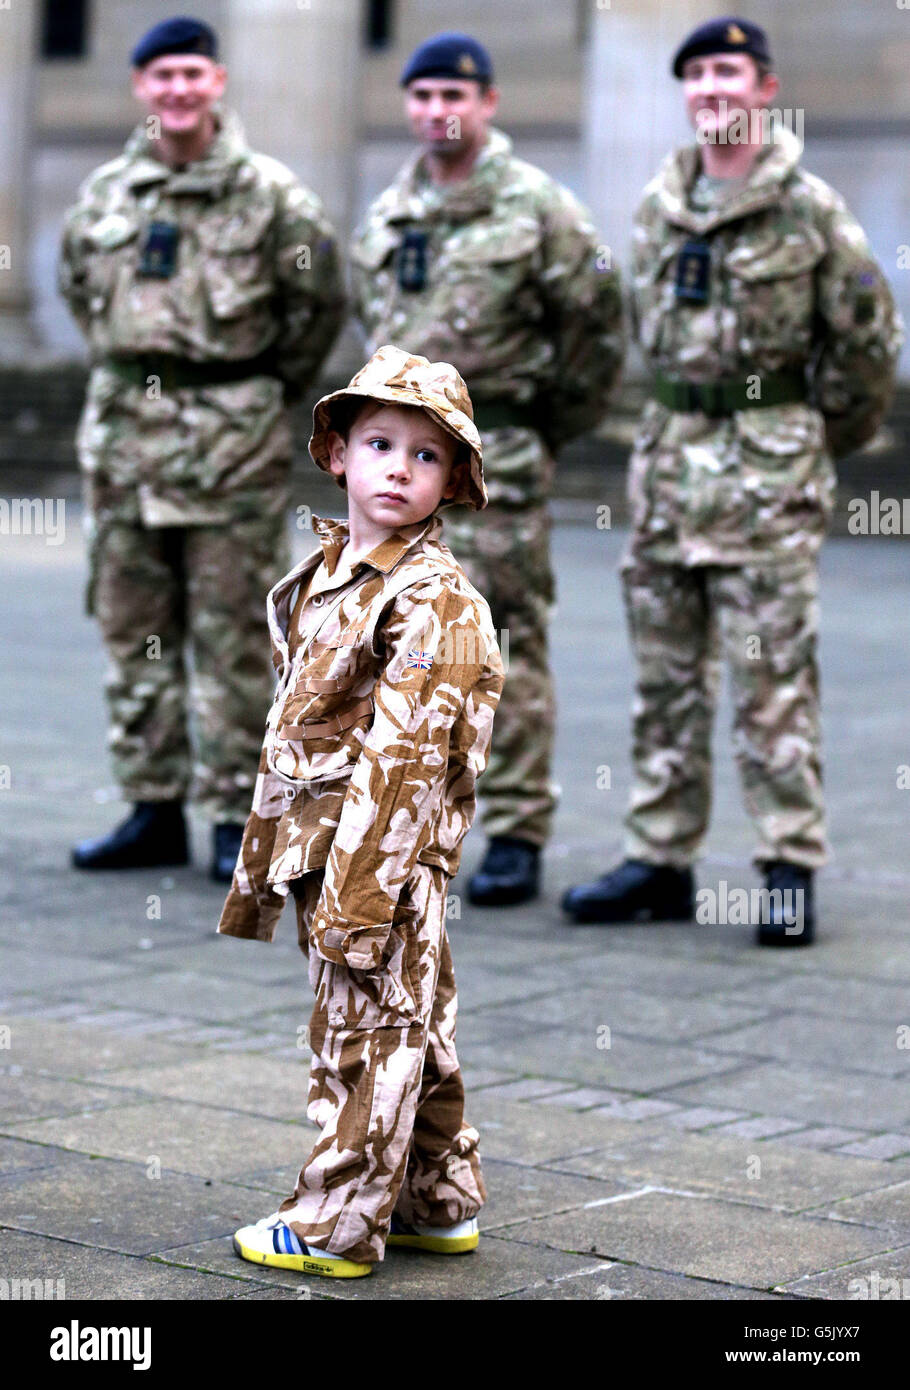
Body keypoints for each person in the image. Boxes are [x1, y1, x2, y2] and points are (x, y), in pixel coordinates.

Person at [563, 18, 902, 945]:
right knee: (664, 676)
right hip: (669, 468)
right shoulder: (656, 206)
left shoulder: (810, 209)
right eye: (699, 74)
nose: (713, 87)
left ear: (764, 87)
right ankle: (659, 859)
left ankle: (788, 867)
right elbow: (641, 322)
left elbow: (868, 340)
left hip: (766, 477)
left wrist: (806, 436)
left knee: (772, 679)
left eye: (730, 72)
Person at [218, 345, 504, 1278]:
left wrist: (361, 896)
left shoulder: (433, 599)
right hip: (327, 848)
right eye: (380, 442)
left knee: (364, 1037)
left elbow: (408, 762)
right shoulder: (339, 570)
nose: (399, 467)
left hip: (373, 859)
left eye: (427, 456)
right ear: (337, 451)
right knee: (410, 1027)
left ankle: (337, 1224)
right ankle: (436, 1200)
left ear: (453, 481)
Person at [58, 16, 345, 881]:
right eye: (161, 77)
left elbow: (317, 309)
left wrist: (251, 393)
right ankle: (150, 806)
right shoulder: (107, 194)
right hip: (123, 452)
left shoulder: (273, 197)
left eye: (193, 75)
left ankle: (234, 813)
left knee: (231, 641)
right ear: (142, 89)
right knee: (132, 631)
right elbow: (83, 292)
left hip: (230, 453)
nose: (177, 91)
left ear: (217, 82)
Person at [351, 32, 624, 907]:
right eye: (424, 96)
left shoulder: (540, 209)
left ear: (489, 103)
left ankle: (517, 831)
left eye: (456, 96)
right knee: (397, 643)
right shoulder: (388, 214)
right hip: (398, 465)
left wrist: (536, 427)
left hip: (495, 459)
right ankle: (406, 826)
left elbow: (595, 329)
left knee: (504, 645)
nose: (440, 111)